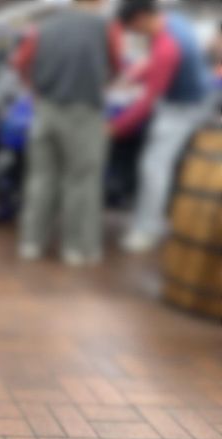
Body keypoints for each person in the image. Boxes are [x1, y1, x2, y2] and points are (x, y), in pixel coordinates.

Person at [14, 0, 122, 266]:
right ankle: (76, 248)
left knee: (41, 179)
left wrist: (36, 89)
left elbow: (20, 61)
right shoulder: (105, 27)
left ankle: (32, 243)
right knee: (81, 181)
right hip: (84, 111)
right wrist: (102, 81)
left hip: (45, 109)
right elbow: (117, 64)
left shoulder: (43, 26)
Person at [112, 0, 211, 253]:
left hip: (184, 108)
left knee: (153, 165)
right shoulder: (173, 21)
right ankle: (152, 220)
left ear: (142, 17)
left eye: (133, 29)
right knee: (157, 162)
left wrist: (117, 127)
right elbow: (153, 65)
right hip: (194, 98)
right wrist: (133, 76)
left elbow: (149, 101)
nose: (135, 34)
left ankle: (148, 230)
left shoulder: (168, 45)